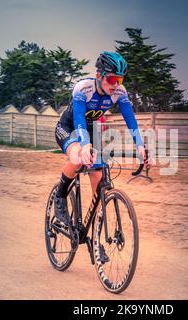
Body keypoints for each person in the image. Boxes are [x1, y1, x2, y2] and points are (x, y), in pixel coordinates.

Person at [54, 51, 148, 225]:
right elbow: (79, 118)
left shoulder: (119, 92)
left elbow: (130, 119)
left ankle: (96, 237)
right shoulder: (83, 88)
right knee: (77, 157)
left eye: (120, 80)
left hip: (91, 130)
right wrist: (84, 145)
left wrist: (140, 145)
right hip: (69, 127)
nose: (116, 85)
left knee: (99, 187)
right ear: (99, 75)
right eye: (112, 80)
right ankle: (60, 196)